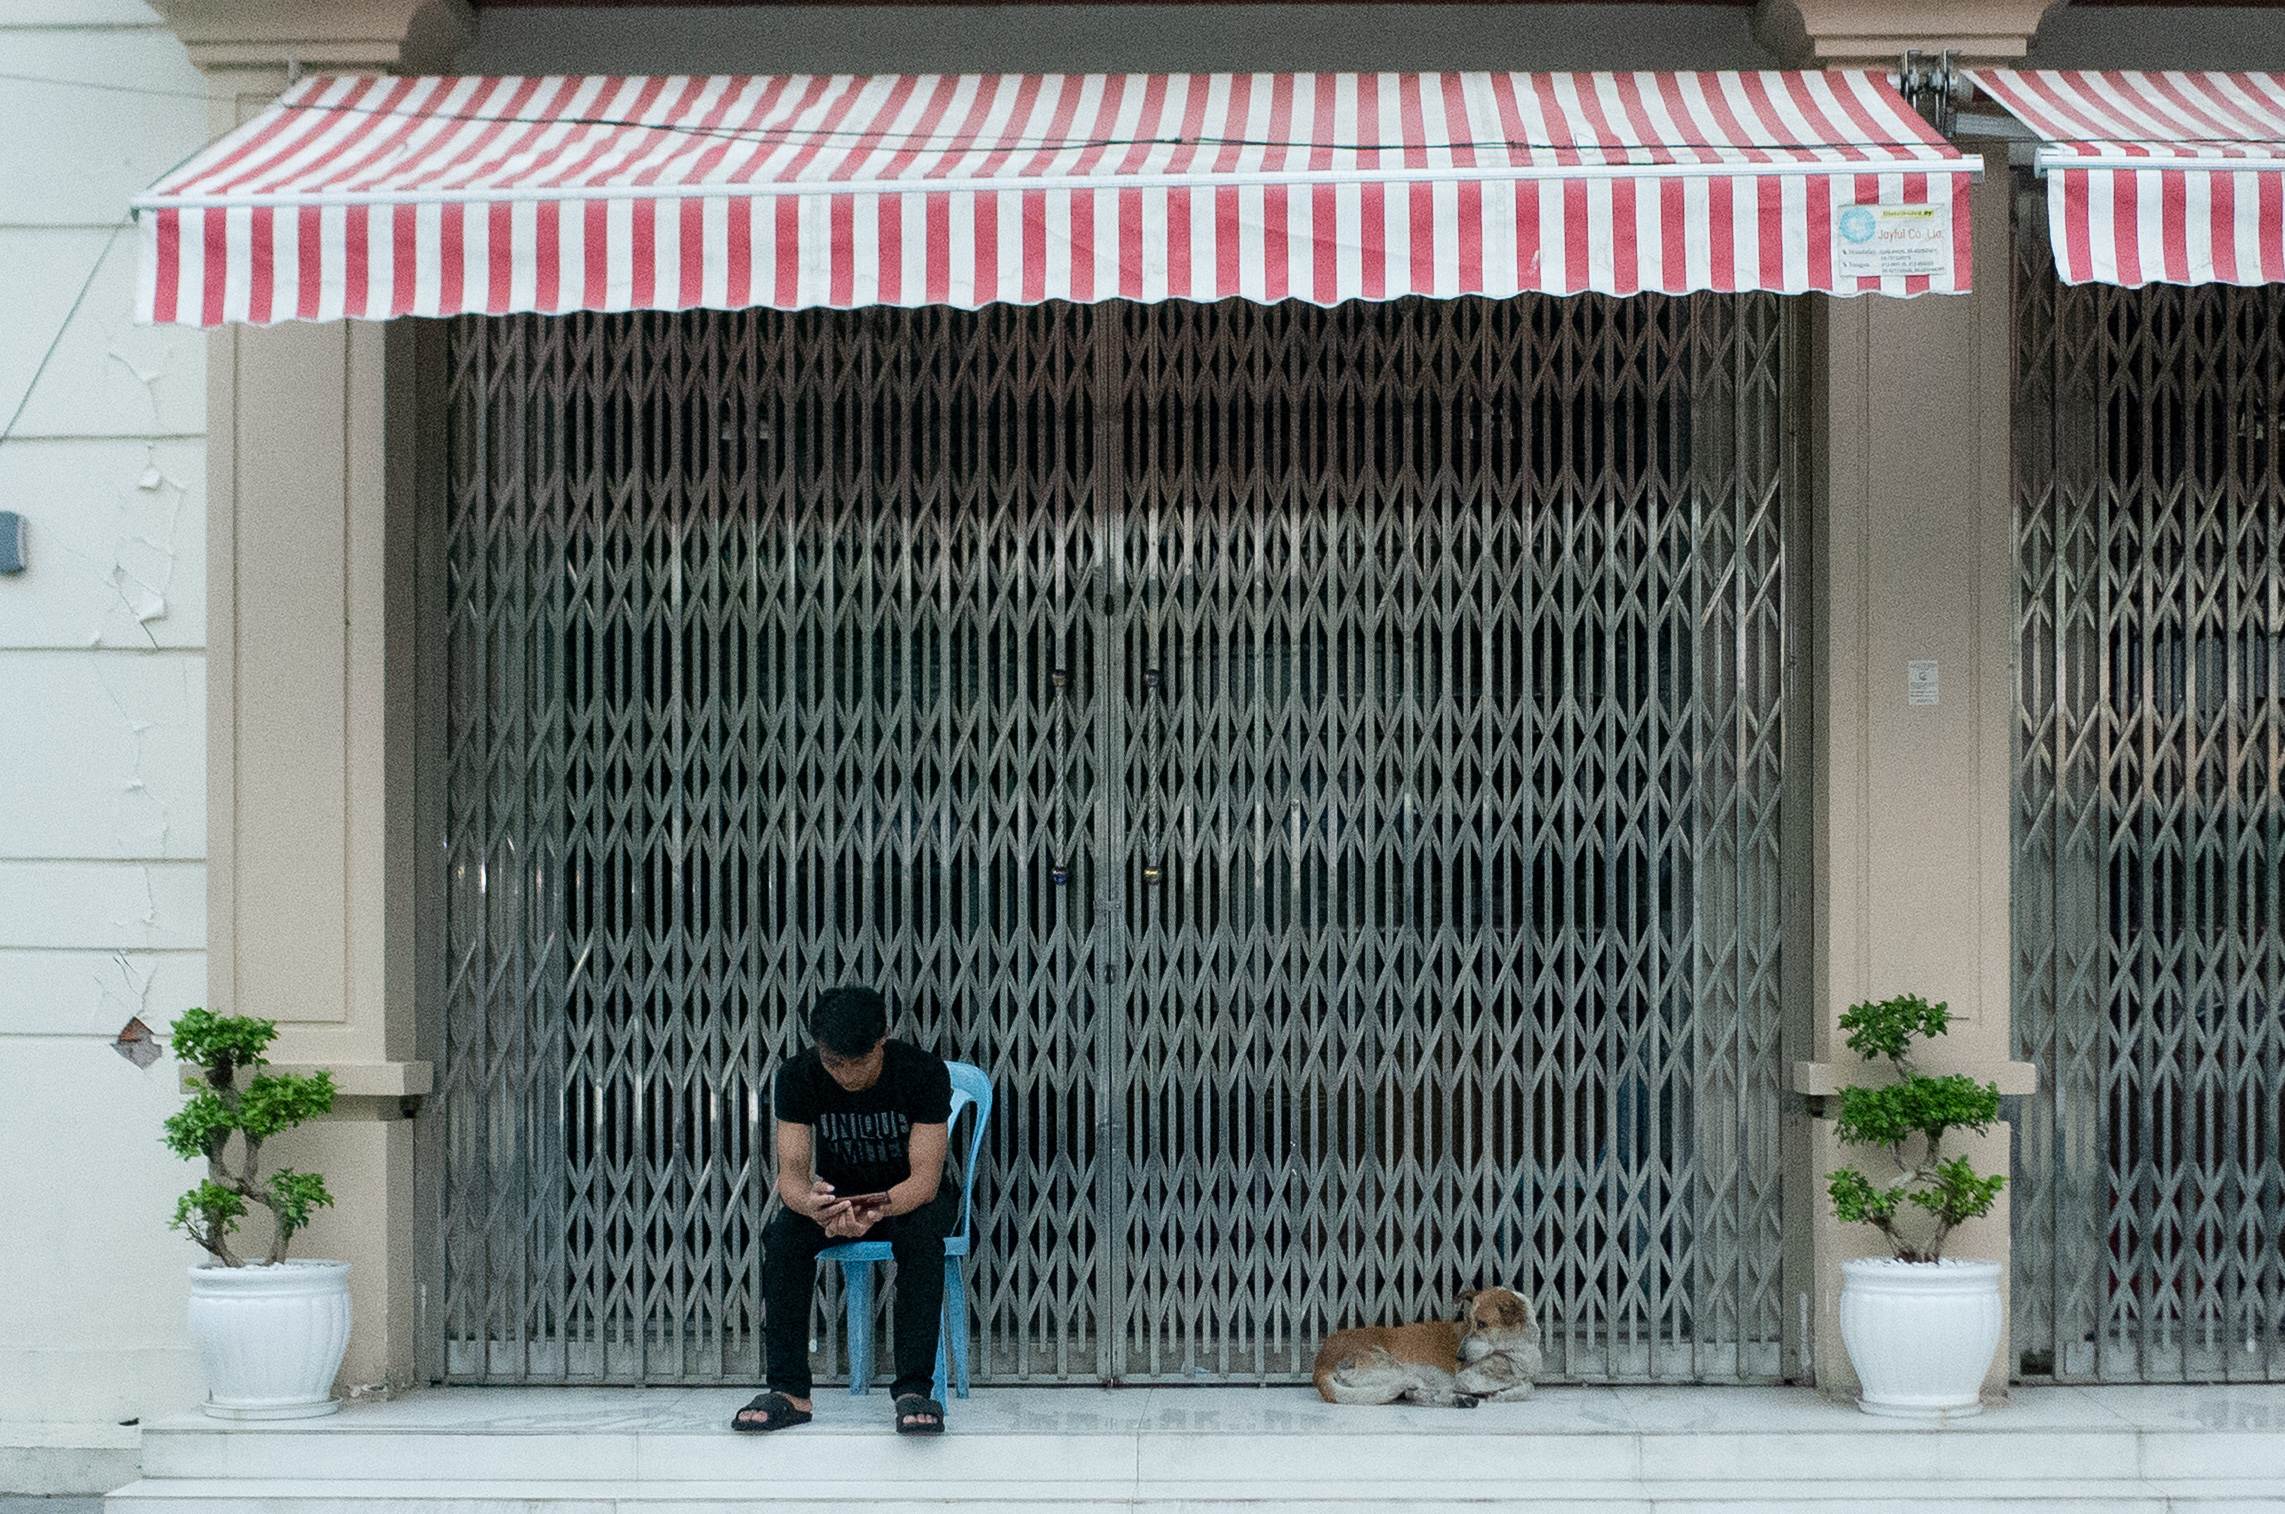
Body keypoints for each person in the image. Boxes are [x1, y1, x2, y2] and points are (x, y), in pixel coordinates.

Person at [732, 985, 955, 1436]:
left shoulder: (922, 1072)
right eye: (835, 1064)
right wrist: (812, 1206)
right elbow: (792, 1176)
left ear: (882, 1038)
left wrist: (877, 1206)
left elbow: (925, 1180)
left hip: (907, 1199)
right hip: (837, 1199)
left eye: (859, 1063)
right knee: (784, 1237)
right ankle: (789, 1392)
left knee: (920, 1238)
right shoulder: (798, 1076)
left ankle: (914, 1390)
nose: (847, 1076)